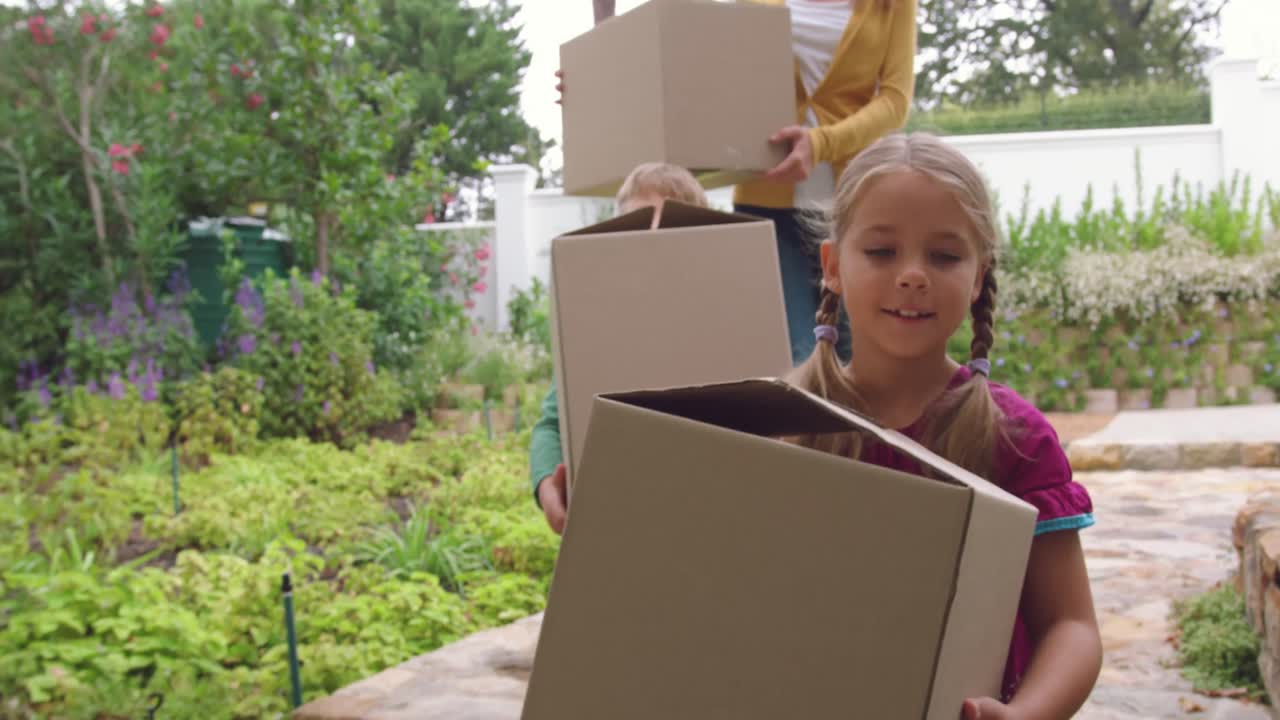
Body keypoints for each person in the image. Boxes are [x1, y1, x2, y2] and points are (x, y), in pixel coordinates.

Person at [784, 132, 1101, 717]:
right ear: (832, 267)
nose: (912, 275)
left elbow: (1071, 626)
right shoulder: (781, 426)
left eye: (945, 256)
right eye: (881, 251)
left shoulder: (1015, 438)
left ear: (979, 275)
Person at [559, 0, 917, 365]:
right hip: (768, 207)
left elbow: (895, 100)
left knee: (860, 354)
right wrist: (594, 83)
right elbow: (695, 73)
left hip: (852, 209)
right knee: (798, 356)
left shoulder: (890, 5)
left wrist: (820, 142)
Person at [530, 162, 709, 535]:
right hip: (616, 514)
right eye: (639, 227)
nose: (652, 242)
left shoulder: (722, 316)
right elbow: (551, 423)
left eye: (668, 229)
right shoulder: (599, 324)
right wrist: (548, 483)